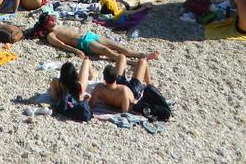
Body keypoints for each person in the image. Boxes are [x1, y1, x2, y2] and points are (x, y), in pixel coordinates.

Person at [30, 14, 159, 62]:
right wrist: (77, 51)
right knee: (107, 52)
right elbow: (63, 46)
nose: (53, 20)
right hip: (83, 43)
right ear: (46, 25)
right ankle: (131, 62)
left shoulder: (56, 26)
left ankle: (142, 54)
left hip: (89, 35)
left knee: (117, 46)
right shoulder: (51, 36)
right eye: (50, 20)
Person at [90, 54, 154, 112]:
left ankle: (149, 85)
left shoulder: (99, 88)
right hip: (133, 90)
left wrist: (87, 98)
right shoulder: (124, 91)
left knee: (121, 57)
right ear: (116, 76)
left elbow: (91, 104)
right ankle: (150, 86)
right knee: (142, 61)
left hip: (118, 84)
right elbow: (126, 111)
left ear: (104, 79)